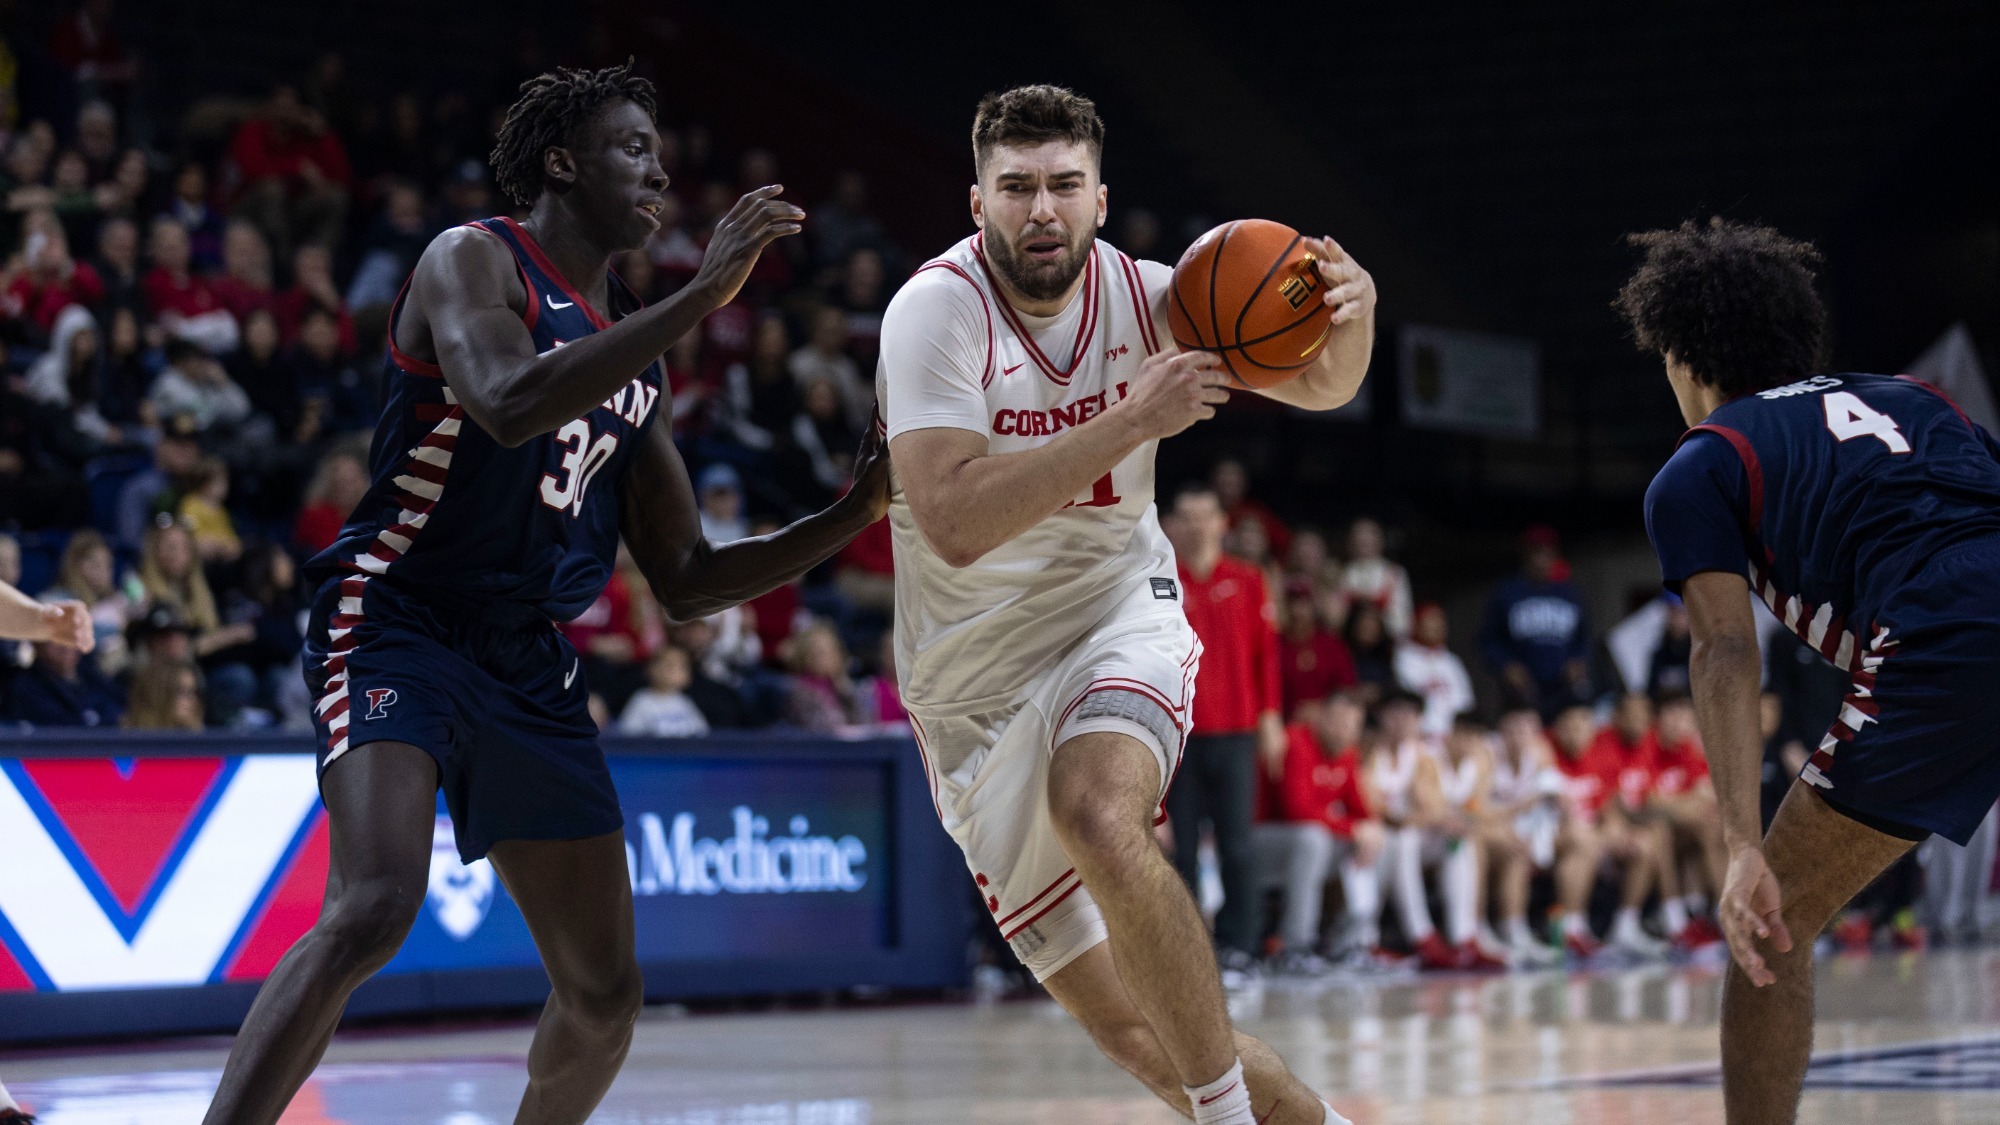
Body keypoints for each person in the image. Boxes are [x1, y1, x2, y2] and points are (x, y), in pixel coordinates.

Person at [199, 63, 889, 1125]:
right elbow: (509, 401)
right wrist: (701, 296)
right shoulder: (472, 258)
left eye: (657, 151)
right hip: (397, 618)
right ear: (562, 164)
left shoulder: (638, 365)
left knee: (606, 995)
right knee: (375, 907)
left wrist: (854, 512)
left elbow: (690, 582)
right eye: (631, 148)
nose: (658, 169)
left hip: (523, 656)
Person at [878, 85, 1373, 1125]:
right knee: (1139, 1036)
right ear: (978, 203)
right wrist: (1126, 420)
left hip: (1115, 613)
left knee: (1097, 809)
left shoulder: (1164, 298)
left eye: (1063, 185)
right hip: (966, 686)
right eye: (1016, 188)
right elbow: (956, 521)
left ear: (1100, 199)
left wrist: (1352, 323)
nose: (1041, 209)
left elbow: (1322, 386)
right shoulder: (934, 311)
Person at [1621, 218, 2000, 1123]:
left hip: (1942, 638)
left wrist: (1743, 844)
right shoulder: (1919, 395)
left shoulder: (1702, 460)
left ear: (1682, 356)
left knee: (1772, 928)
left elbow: (1723, 647)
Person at [1166, 482, 1285, 982]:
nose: (1196, 526)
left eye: (1205, 515)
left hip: (1237, 730)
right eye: (1186, 516)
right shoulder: (1158, 579)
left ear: (1222, 523)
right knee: (1182, 848)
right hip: (1178, 735)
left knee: (1239, 845)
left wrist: (1271, 719)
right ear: (1172, 525)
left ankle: (1245, 946)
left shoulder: (1250, 579)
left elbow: (1266, 655)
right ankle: (1192, 952)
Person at [1252, 694, 1384, 973]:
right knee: (1313, 839)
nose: (1345, 732)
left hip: (1309, 845)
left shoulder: (1347, 754)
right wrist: (1354, 829)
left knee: (1382, 842)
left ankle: (1350, 944)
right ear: (1322, 719)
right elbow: (1296, 810)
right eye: (1339, 723)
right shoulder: (1296, 741)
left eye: (1353, 726)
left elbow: (1361, 810)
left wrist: (1369, 830)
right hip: (1260, 843)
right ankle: (1295, 947)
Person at [1478, 525, 1593, 717]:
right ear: (1526, 555)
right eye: (1537, 553)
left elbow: (1584, 637)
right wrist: (1505, 665)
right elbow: (1487, 639)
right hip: (1522, 690)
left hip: (1562, 688)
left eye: (1548, 554)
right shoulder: (1508, 593)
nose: (1542, 560)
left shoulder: (1569, 594)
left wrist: (1578, 660)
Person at [1394, 602, 1472, 739]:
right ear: (1416, 623)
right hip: (1418, 736)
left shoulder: (1451, 660)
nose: (1434, 627)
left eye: (1438, 622)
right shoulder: (1403, 657)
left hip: (1452, 738)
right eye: (1429, 621)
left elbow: (1465, 702)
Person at [1338, 517, 1411, 637]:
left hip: (1385, 642)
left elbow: (1403, 620)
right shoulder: (1343, 573)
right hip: (1349, 639)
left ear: (1380, 541)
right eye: (1359, 540)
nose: (1364, 542)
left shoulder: (1394, 572)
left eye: (1369, 539)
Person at [615, 644, 708, 737]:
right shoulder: (642, 700)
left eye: (682, 667)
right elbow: (629, 734)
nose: (676, 672)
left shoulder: (684, 701)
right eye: (670, 666)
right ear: (651, 669)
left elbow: (701, 732)